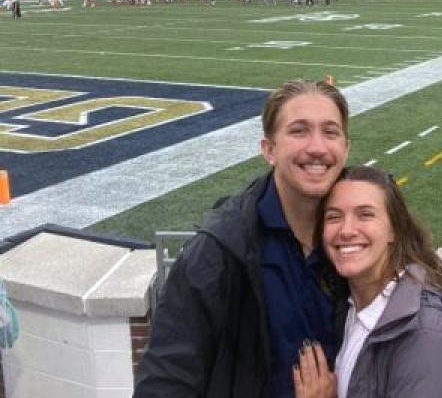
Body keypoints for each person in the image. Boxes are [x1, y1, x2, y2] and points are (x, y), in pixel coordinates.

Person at [134, 79, 351, 398]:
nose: (317, 146)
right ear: (269, 150)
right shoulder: (219, 249)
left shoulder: (361, 241)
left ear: (346, 148)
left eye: (330, 131)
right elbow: (166, 380)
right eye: (299, 130)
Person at [293, 166, 442, 398]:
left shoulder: (424, 335)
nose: (346, 230)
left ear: (394, 230)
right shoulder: (352, 305)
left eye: (365, 214)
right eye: (334, 217)